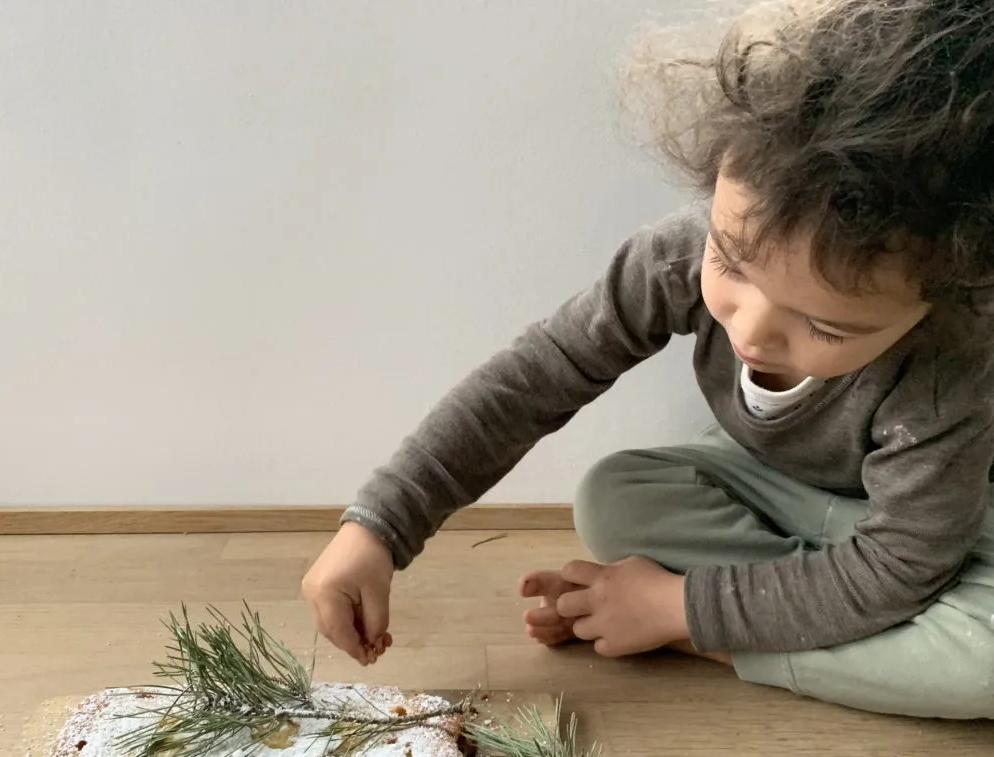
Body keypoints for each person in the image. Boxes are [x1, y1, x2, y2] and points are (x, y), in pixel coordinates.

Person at [302, 0, 994, 719]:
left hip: (945, 524)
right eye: (732, 263)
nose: (752, 332)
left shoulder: (951, 359)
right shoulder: (674, 257)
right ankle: (786, 619)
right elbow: (532, 381)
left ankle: (701, 633)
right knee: (613, 496)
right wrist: (379, 525)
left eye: (823, 325)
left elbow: (902, 564)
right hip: (787, 496)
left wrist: (682, 611)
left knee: (982, 663)